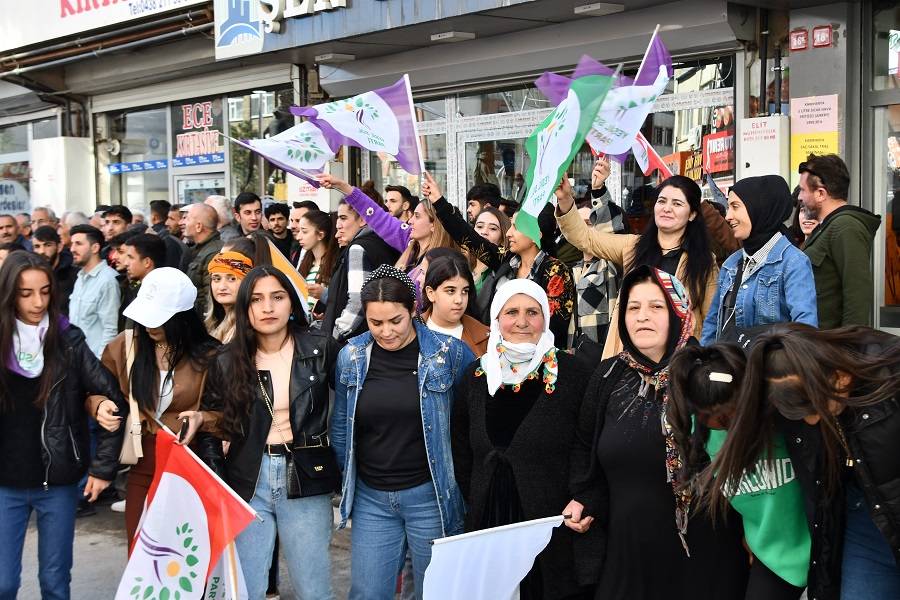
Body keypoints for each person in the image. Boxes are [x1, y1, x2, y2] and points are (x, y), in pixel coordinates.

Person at [565, 266, 748, 600]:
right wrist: (585, 498)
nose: (642, 317)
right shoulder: (608, 376)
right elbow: (583, 445)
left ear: (678, 312)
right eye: (633, 308)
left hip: (704, 557)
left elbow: (741, 451)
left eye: (656, 307)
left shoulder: (706, 372)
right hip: (629, 557)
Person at [705, 324, 900, 600]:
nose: (811, 421)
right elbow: (740, 339)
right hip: (863, 516)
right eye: (800, 415)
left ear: (841, 378)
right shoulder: (784, 365)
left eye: (815, 408)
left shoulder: (890, 371)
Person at [188, 266, 337, 599]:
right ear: (244, 308)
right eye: (256, 300)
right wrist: (214, 462)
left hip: (305, 475)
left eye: (277, 297)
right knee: (246, 588)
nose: (268, 308)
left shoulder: (321, 348)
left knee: (313, 588)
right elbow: (215, 420)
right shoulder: (227, 359)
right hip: (248, 477)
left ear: (291, 302)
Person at [332, 265, 474, 600]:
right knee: (367, 593)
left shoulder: (448, 354)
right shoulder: (351, 356)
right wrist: (348, 477)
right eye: (375, 323)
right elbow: (341, 427)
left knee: (435, 592)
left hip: (431, 498)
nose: (386, 332)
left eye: (395, 321)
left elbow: (472, 425)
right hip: (371, 499)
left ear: (413, 309)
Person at [451, 279, 594, 599]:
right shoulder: (476, 376)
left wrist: (581, 497)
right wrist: (476, 495)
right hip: (489, 520)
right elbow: (460, 447)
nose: (522, 322)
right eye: (511, 312)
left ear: (545, 316)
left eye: (532, 312)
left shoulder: (574, 374)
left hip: (550, 524)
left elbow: (588, 445)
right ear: (497, 319)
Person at [0, 252, 127, 600]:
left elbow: (113, 398)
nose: (38, 302)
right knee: (3, 583)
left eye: (44, 291)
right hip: (4, 485)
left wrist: (102, 469)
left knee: (55, 582)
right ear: (9, 292)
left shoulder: (68, 339)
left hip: (56, 482)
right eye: (26, 293)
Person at [667, 344, 810, 600]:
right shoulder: (700, 435)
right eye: (719, 420)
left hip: (824, 543)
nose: (732, 425)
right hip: (772, 558)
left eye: (736, 414)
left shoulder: (781, 415)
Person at [95, 267, 218, 543]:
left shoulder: (210, 354)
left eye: (160, 318)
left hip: (190, 465)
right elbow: (97, 388)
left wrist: (203, 419)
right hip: (142, 465)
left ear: (182, 318)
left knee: (184, 556)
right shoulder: (125, 346)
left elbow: (230, 412)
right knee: (142, 560)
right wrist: (99, 404)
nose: (151, 325)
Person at [555, 166, 717, 359]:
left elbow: (711, 320)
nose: (666, 208)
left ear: (692, 214)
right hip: (630, 359)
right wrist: (565, 199)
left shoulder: (704, 261)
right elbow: (585, 238)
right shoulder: (633, 247)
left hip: (678, 363)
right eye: (662, 201)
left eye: (677, 204)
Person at [422, 172, 576, 347]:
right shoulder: (506, 260)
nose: (508, 233)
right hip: (500, 353)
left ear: (536, 235)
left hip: (541, 359)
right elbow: (469, 237)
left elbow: (553, 327)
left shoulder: (556, 271)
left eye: (516, 227)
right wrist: (439, 201)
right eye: (510, 225)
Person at [701, 175, 818, 345]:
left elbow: (805, 331)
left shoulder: (793, 262)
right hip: (728, 368)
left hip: (771, 369)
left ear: (760, 209)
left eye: (735, 207)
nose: (728, 216)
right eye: (728, 207)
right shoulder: (731, 265)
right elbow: (712, 325)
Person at [320, 173, 458, 308]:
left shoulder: (443, 260)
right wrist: (343, 186)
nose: (410, 221)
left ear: (433, 224)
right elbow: (376, 214)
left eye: (417, 216)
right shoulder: (409, 241)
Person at [797, 154, 881, 328]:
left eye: (803, 190)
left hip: (832, 347)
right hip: (816, 342)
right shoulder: (827, 227)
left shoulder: (846, 226)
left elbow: (857, 296)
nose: (799, 197)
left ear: (820, 193)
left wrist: (848, 348)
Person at [317, 181, 400, 344]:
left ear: (362, 219)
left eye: (342, 218)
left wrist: (333, 336)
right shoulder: (383, 243)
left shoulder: (358, 248)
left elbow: (357, 302)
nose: (338, 225)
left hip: (354, 343)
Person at [421, 250, 490, 355]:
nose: (459, 300)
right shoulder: (412, 330)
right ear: (431, 293)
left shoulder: (485, 337)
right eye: (450, 291)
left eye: (465, 291)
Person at [68, 224, 121, 359]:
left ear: (95, 248)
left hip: (95, 363)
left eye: (78, 244)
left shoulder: (108, 280)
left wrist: (102, 365)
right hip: (76, 361)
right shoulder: (80, 278)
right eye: (72, 244)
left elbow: (111, 328)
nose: (72, 249)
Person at [205, 245, 254, 342]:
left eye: (232, 279)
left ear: (246, 283)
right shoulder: (212, 322)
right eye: (217, 279)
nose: (222, 287)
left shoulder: (249, 327)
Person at [296, 209, 339, 320]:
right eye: (299, 231)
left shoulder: (335, 265)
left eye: (304, 231)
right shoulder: (305, 263)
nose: (298, 237)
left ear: (320, 235)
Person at [183, 203, 224, 316]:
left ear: (199, 226)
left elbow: (211, 299)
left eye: (188, 218)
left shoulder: (214, 253)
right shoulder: (199, 250)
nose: (183, 222)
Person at [31, 226, 77, 315]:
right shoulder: (30, 277)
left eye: (47, 245)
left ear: (59, 247)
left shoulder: (75, 276)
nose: (41, 251)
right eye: (37, 246)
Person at [148, 200, 188, 269]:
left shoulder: (171, 243)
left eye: (171, 219)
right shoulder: (166, 239)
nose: (166, 223)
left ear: (184, 221)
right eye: (167, 218)